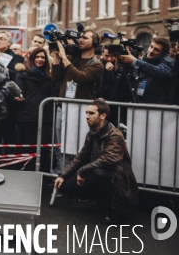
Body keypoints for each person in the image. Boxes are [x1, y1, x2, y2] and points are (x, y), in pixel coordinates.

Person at [54, 99, 138, 224]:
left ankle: (113, 209)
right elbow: (81, 157)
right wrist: (63, 175)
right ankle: (101, 201)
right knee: (64, 185)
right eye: (86, 113)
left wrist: (82, 171)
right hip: (97, 172)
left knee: (99, 173)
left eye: (91, 113)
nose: (87, 117)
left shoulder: (115, 135)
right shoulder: (91, 133)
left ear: (103, 116)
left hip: (117, 179)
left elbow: (108, 159)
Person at [51, 29, 104, 173]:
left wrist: (64, 57)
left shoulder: (96, 64)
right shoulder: (73, 59)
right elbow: (56, 77)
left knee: (75, 147)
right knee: (59, 144)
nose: (80, 40)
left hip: (80, 111)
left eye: (85, 38)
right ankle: (61, 175)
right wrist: (57, 57)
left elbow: (81, 77)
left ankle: (73, 178)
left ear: (94, 43)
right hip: (63, 107)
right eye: (80, 37)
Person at [14, 47, 54, 171]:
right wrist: (20, 98)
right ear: (32, 58)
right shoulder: (23, 74)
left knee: (44, 148)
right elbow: (19, 92)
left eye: (43, 57)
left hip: (45, 117)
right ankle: (26, 172)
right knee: (27, 146)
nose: (40, 60)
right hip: (27, 117)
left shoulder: (50, 76)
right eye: (37, 57)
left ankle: (44, 176)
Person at [118, 37, 175, 105]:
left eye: (156, 50)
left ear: (163, 53)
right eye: (151, 47)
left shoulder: (169, 61)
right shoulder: (144, 61)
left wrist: (135, 62)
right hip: (141, 105)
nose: (151, 51)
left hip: (159, 108)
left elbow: (160, 72)